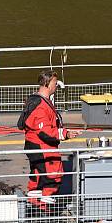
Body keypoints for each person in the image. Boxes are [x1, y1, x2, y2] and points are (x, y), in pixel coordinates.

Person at [17, 69, 81, 212]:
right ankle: (44, 209)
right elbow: (45, 131)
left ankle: (34, 204)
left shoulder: (36, 101)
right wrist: (65, 134)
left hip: (34, 146)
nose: (57, 85)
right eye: (54, 82)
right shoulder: (40, 106)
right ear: (47, 83)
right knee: (53, 176)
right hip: (43, 147)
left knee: (38, 176)